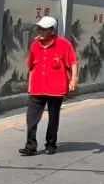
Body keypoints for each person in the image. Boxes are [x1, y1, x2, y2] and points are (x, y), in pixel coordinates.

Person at [19, 16, 79, 156]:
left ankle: (51, 144)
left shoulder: (64, 44)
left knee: (53, 118)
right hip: (37, 88)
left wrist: (74, 79)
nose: (40, 31)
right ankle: (30, 146)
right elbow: (32, 67)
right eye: (39, 28)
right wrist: (30, 85)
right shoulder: (35, 45)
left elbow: (73, 62)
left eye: (44, 29)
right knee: (31, 118)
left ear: (52, 30)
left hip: (56, 89)